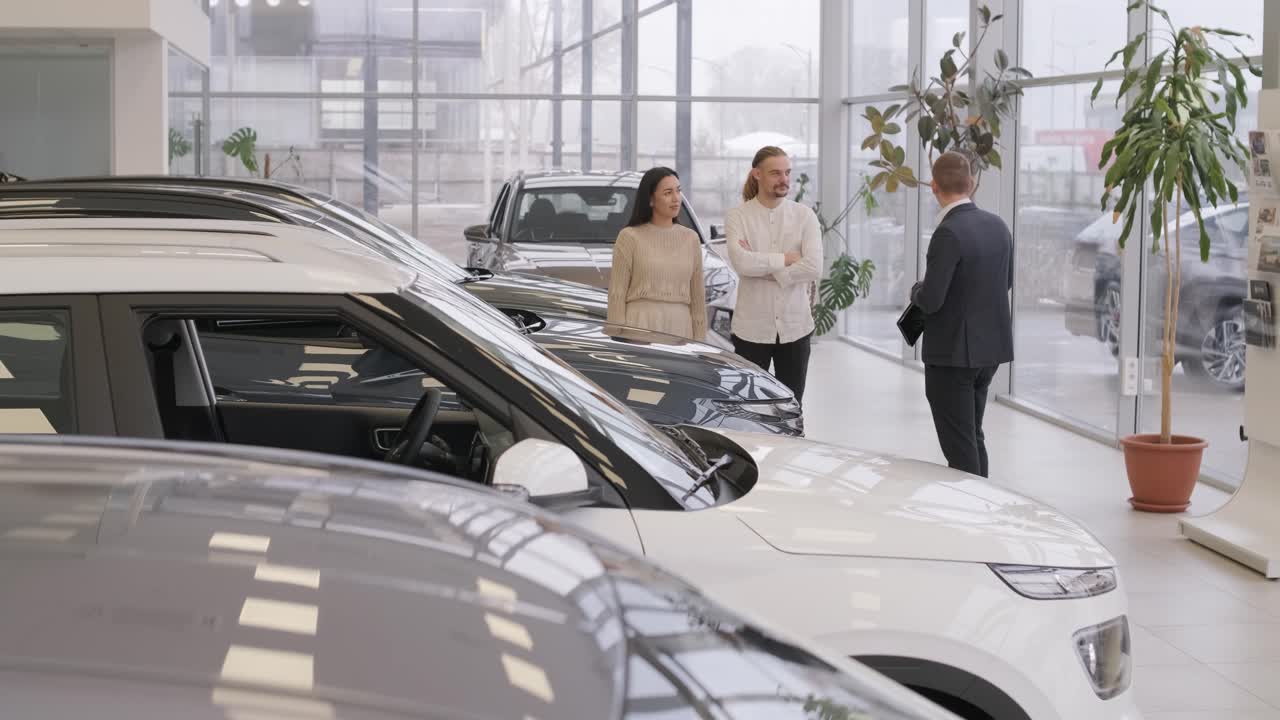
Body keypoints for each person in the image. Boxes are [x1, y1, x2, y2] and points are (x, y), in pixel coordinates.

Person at [911, 151, 1014, 478]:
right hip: (988, 351)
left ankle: (969, 505)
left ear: (934, 186)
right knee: (973, 434)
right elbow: (1005, 282)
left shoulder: (948, 232)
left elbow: (931, 300)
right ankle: (983, 499)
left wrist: (916, 290)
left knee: (959, 445)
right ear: (971, 183)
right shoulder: (998, 225)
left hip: (952, 355)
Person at [724, 146, 823, 403]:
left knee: (792, 406)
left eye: (787, 172)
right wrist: (787, 259)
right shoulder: (738, 216)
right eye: (776, 173)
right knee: (749, 407)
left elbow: (814, 267)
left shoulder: (804, 216)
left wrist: (768, 270)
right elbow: (742, 263)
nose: (784, 179)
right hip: (751, 330)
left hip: (795, 328)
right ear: (757, 174)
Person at [607, 167, 708, 341]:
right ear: (651, 199)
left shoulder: (691, 239)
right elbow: (617, 293)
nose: (676, 198)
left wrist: (700, 343)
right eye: (668, 193)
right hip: (639, 326)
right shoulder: (629, 237)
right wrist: (617, 338)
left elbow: (698, 297)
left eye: (678, 191)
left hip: (680, 329)